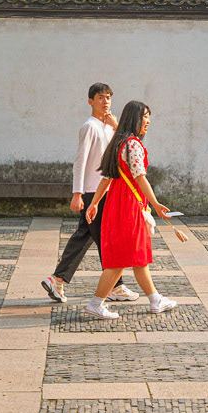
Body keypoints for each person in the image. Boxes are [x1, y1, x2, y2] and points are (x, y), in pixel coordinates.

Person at [83, 100, 187, 320]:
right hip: (129, 206)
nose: (148, 121)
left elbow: (107, 178)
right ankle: (96, 303)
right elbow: (140, 178)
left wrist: (94, 203)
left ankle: (155, 299)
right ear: (134, 118)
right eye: (145, 116)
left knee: (135, 256)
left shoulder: (118, 143)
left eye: (149, 116)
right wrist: (156, 204)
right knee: (125, 258)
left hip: (116, 204)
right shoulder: (133, 145)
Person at [41, 83, 137, 304]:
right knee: (106, 239)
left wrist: (116, 127)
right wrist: (77, 193)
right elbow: (80, 162)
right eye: (100, 97)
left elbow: (122, 150)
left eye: (108, 97)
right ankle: (114, 286)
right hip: (93, 193)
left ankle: (58, 280)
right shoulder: (89, 126)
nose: (105, 102)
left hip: (104, 191)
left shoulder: (108, 126)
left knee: (87, 236)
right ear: (90, 101)